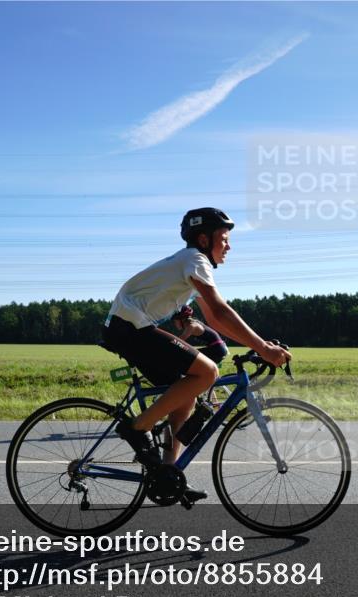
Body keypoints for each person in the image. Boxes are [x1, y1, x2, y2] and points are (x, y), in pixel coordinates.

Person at [102, 207, 290, 503]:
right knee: (207, 372)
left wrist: (257, 343)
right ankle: (138, 428)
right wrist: (263, 348)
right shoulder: (195, 259)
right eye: (224, 238)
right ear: (204, 239)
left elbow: (214, 321)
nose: (229, 246)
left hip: (129, 327)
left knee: (187, 389)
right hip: (130, 327)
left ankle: (169, 474)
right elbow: (219, 310)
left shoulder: (191, 264)